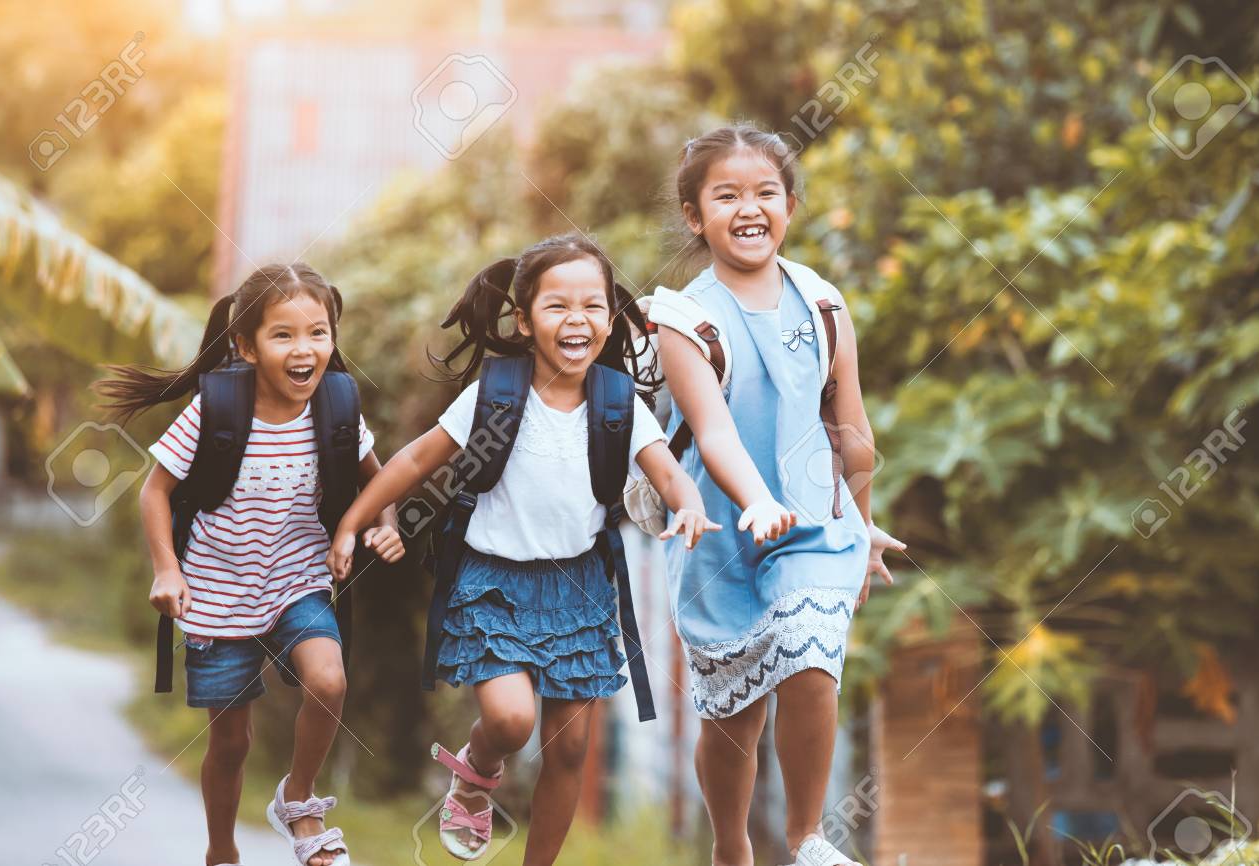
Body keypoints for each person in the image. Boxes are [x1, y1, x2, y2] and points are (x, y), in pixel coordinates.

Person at [329, 234, 717, 865]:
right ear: (524, 320)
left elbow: (667, 472)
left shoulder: (617, 402)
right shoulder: (498, 393)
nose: (577, 319)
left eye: (592, 306)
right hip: (493, 585)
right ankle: (477, 772)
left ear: (611, 319)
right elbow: (417, 460)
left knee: (569, 748)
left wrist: (690, 505)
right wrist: (352, 522)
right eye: (557, 305)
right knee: (511, 721)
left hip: (580, 589)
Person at [650, 125, 906, 866]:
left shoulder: (823, 303)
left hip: (815, 527)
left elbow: (851, 430)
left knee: (809, 656)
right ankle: (730, 845)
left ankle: (807, 839)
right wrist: (757, 500)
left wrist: (862, 525)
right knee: (732, 718)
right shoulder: (683, 320)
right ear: (695, 216)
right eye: (726, 195)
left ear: (790, 205)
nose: (749, 208)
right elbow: (713, 432)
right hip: (719, 536)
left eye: (766, 192)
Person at [99, 263, 403, 866]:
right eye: (283, 334)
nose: (304, 349)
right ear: (246, 346)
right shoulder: (216, 409)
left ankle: (299, 798)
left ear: (333, 338)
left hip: (298, 578)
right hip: (216, 589)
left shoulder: (338, 407)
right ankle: (221, 850)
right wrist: (167, 569)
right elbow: (154, 492)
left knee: (329, 681)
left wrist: (384, 525)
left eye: (318, 333)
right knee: (231, 742)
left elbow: (380, 481)